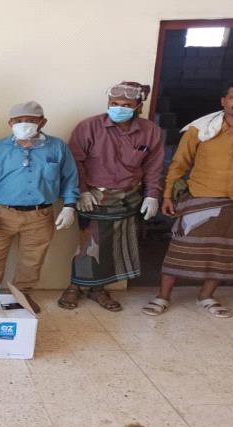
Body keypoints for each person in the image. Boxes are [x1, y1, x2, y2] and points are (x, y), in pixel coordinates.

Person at [143, 77, 233, 318]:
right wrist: (167, 195)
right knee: (181, 250)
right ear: (224, 101)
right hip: (201, 199)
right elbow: (179, 164)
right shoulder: (200, 130)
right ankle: (163, 296)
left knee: (225, 253)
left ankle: (206, 296)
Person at [58, 81, 164, 312]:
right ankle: (75, 286)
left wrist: (152, 195)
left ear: (138, 106)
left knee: (113, 247)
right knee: (89, 244)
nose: (118, 108)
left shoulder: (150, 131)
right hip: (94, 196)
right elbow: (74, 162)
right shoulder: (89, 127)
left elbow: (154, 167)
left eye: (126, 105)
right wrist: (82, 190)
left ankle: (98, 289)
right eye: (114, 103)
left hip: (129, 197)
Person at [0, 101, 79, 311]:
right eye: (18, 120)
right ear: (10, 123)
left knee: (32, 261)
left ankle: (22, 296)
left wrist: (69, 206)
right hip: (1, 214)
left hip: (40, 216)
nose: (24, 124)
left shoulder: (57, 147)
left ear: (42, 122)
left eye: (30, 120)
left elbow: (70, 178)